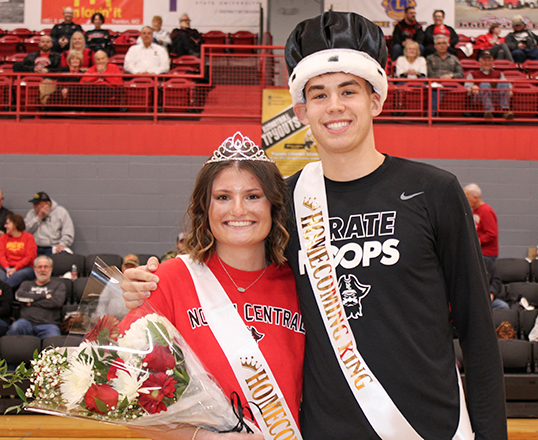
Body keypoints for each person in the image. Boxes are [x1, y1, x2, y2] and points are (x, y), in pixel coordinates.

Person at [126, 11, 507, 440]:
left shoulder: (433, 190)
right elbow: (223, 275)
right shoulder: (283, 203)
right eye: (319, 95)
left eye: (349, 90)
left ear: (377, 99)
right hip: (328, 429)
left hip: (431, 427)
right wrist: (147, 285)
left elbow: (477, 330)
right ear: (301, 110)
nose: (335, 106)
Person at [122, 132, 302, 440]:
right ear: (205, 209)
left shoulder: (303, 284)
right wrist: (203, 438)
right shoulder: (168, 280)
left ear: (274, 205)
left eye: (252, 196)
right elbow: (124, 397)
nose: (238, 210)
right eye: (223, 197)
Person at [8, 255, 66, 339]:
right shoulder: (26, 284)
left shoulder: (58, 285)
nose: (42, 270)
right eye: (39, 267)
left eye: (46, 267)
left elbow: (56, 302)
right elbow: (19, 296)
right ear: (34, 270)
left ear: (51, 269)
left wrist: (31, 302)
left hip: (48, 325)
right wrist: (44, 296)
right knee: (15, 327)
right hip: (25, 323)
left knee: (54, 339)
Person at [464, 50, 513, 120]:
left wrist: (510, 89)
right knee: (485, 84)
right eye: (484, 60)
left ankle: (505, 111)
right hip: (480, 97)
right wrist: (472, 88)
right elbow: (467, 89)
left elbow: (508, 85)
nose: (487, 63)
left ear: (492, 62)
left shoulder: (499, 73)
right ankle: (489, 111)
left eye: (489, 60)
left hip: (496, 96)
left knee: (504, 84)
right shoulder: (472, 74)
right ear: (480, 62)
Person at [0, 214, 37, 290]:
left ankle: (2, 291)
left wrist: (15, 269)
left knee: (17, 275)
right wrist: (7, 269)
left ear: (15, 224)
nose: (5, 226)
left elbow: (29, 257)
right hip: (6, 268)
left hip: (25, 268)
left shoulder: (28, 237)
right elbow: (1, 256)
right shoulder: (3, 238)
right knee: (0, 276)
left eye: (7, 223)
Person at [464, 183, 499, 260]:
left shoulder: (486, 211)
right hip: (478, 252)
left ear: (475, 197)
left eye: (467, 198)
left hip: (486, 254)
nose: (466, 201)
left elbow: (491, 234)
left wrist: (476, 241)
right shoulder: (475, 211)